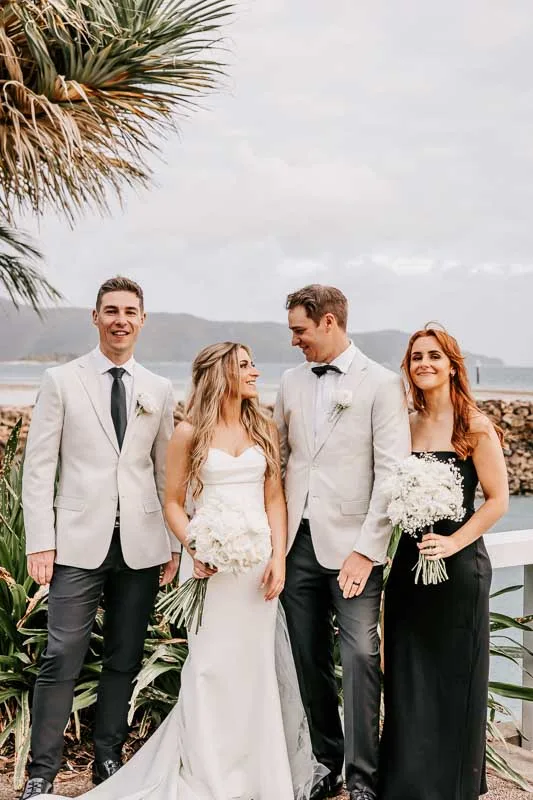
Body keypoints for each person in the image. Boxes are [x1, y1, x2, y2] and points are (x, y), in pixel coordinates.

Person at [39, 341, 324, 800]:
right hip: (209, 570)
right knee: (209, 667)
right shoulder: (188, 433)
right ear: (221, 374)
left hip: (255, 571)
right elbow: (172, 502)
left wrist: (278, 560)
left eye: (253, 364)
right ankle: (207, 773)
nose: (254, 372)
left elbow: (275, 498)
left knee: (254, 670)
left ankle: (257, 775)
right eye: (245, 365)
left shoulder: (264, 429)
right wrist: (195, 544)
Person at [20, 277, 179, 800]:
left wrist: (173, 545)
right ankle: (41, 773)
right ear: (95, 317)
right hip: (75, 544)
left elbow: (164, 475)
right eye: (111, 310)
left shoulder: (158, 389)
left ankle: (108, 757)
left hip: (140, 544)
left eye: (130, 311)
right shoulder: (62, 380)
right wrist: (41, 541)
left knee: (125, 656)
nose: (121, 320)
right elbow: (39, 468)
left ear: (142, 320)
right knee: (61, 654)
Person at [274, 285, 410, 800]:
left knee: (357, 657)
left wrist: (367, 550)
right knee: (306, 657)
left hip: (356, 547)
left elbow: (391, 475)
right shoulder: (289, 382)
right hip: (297, 546)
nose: (294, 341)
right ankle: (326, 763)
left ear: (328, 322)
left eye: (300, 330)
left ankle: (363, 778)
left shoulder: (381, 385)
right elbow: (281, 459)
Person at [379, 324, 509, 800]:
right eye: (416, 357)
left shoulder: (473, 425)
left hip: (458, 570)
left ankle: (452, 786)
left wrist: (454, 545)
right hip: (409, 570)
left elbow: (498, 500)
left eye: (434, 356)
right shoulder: (404, 424)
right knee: (407, 675)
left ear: (452, 364)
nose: (424, 364)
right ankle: (406, 783)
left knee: (454, 677)